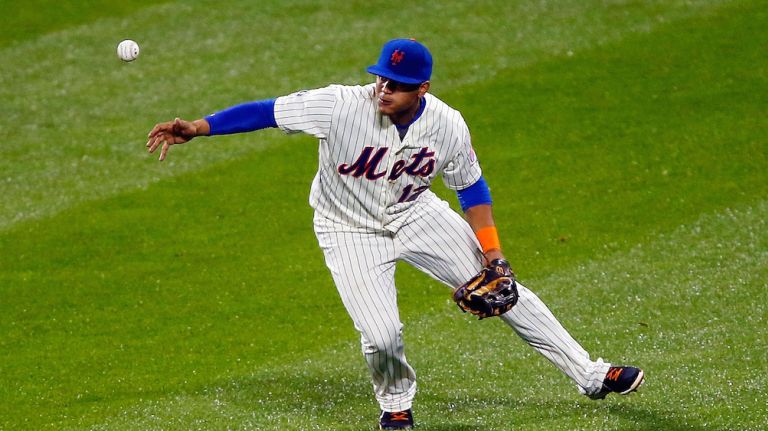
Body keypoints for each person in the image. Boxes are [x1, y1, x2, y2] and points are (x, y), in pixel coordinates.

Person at [146, 38, 644, 430]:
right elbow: (265, 112)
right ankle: (396, 406)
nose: (384, 89)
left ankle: (592, 375)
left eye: (397, 84)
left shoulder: (448, 124)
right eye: (382, 78)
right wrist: (199, 127)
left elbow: (472, 189)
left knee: (507, 292)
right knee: (381, 335)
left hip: (415, 213)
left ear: (421, 89)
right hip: (348, 229)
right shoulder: (339, 105)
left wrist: (495, 255)